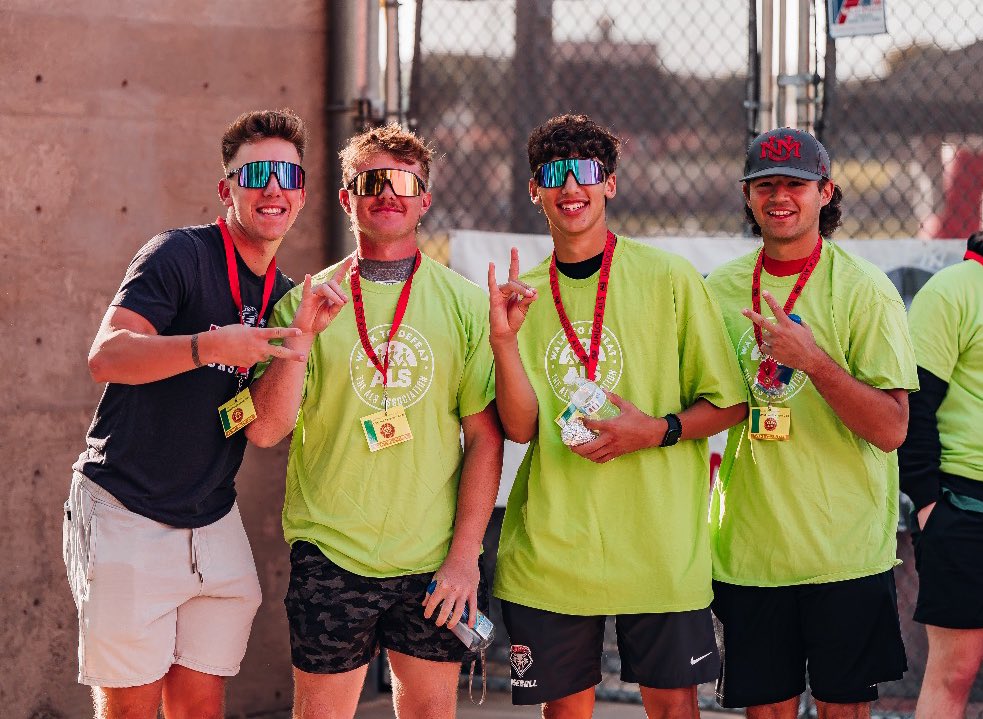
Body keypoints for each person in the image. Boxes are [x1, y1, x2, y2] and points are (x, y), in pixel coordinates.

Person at [488, 113, 748, 719]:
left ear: (610, 183)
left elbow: (731, 402)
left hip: (658, 546)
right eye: (554, 173)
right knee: (567, 713)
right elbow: (522, 429)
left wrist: (655, 431)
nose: (570, 186)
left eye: (586, 171)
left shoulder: (669, 279)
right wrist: (503, 342)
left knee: (673, 709)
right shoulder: (520, 297)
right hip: (555, 550)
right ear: (534, 189)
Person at [245, 123, 503, 719]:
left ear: (425, 199)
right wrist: (305, 336)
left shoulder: (464, 304)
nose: (388, 193)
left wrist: (465, 557)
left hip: (434, 559)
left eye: (405, 182)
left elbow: (485, 437)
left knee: (431, 714)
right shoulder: (306, 301)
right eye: (371, 181)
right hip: (331, 550)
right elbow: (264, 430)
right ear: (346, 196)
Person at [64, 108, 311, 718]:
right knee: (130, 710)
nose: (272, 187)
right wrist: (209, 347)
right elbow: (107, 356)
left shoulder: (285, 295)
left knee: (202, 708)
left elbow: (264, 429)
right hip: (126, 506)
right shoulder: (177, 254)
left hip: (211, 517)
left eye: (287, 173)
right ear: (227, 189)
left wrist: (298, 346)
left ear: (302, 193)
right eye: (255, 174)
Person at [706, 127, 918, 718]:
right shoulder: (720, 290)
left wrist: (813, 362)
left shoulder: (864, 290)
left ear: (826, 193)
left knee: (842, 711)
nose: (780, 197)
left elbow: (892, 428)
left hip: (843, 554)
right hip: (750, 551)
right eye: (765, 185)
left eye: (795, 184)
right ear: (748, 197)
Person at [899, 231, 983, 718]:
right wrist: (931, 505)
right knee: (955, 672)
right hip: (962, 508)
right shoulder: (952, 290)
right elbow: (914, 406)